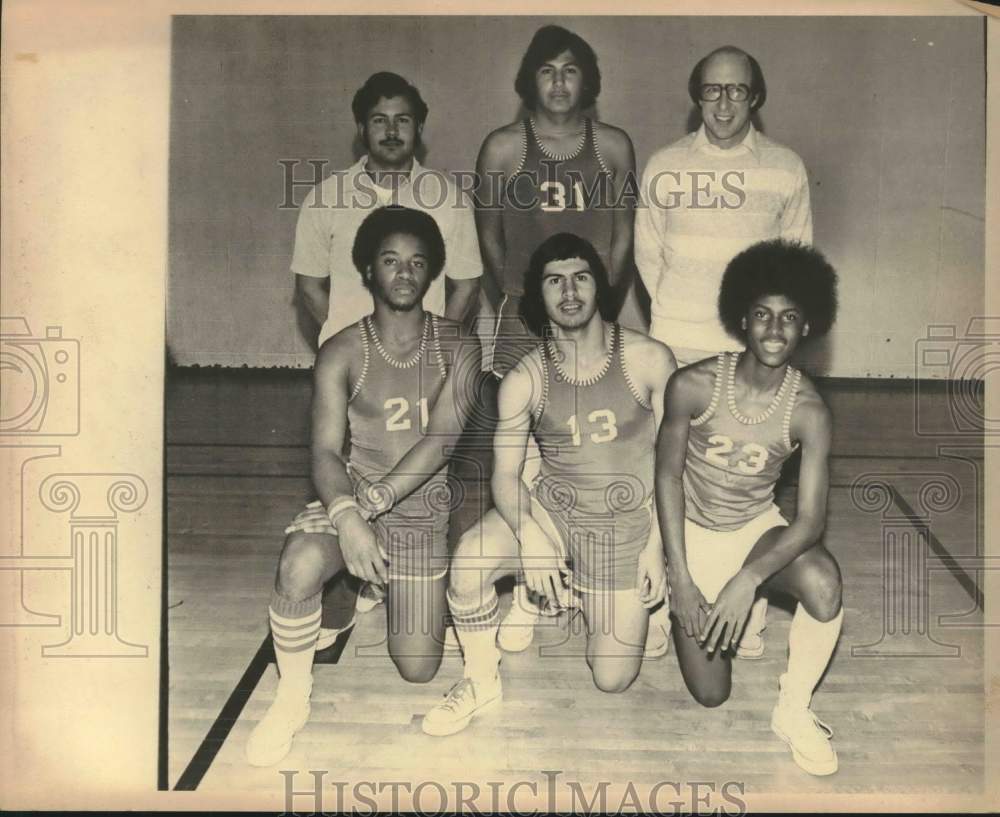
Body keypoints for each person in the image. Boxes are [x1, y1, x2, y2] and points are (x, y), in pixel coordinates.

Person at [246, 206, 481, 766]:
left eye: (418, 263)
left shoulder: (461, 346)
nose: (404, 273)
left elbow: (442, 441)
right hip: (359, 498)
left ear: (432, 275)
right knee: (300, 562)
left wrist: (372, 502)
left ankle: (370, 580)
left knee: (419, 666)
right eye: (390, 261)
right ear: (367, 270)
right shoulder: (341, 350)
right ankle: (292, 695)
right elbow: (325, 451)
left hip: (419, 510)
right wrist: (348, 516)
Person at [421, 233, 676, 737]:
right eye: (554, 281)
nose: (569, 291)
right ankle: (479, 678)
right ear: (537, 297)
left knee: (612, 678)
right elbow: (506, 476)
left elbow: (674, 467)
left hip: (627, 526)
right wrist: (531, 534)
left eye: (581, 277)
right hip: (557, 514)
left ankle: (618, 601)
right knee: (470, 560)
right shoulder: (525, 378)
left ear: (599, 288)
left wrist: (657, 546)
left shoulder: (650, 360)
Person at [292, 72, 484, 639]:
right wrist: (346, 338)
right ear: (361, 129)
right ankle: (352, 567)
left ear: (419, 128)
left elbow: (467, 286)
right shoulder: (327, 195)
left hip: (424, 361)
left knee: (426, 468)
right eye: (379, 119)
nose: (392, 130)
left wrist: (439, 353)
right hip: (355, 365)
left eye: (403, 119)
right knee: (341, 463)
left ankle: (421, 552)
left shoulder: (447, 196)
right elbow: (309, 286)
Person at [635, 45, 814, 654]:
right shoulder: (663, 165)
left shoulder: (786, 167)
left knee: (747, 478)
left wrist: (756, 337)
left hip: (751, 350)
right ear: (696, 97)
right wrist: (679, 318)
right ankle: (659, 599)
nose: (724, 102)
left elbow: (795, 264)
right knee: (669, 471)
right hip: (680, 340)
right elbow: (648, 256)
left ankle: (751, 598)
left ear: (756, 96)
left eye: (737, 90)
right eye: (712, 90)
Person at [655, 239, 842, 776]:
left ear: (808, 326)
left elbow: (809, 520)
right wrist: (681, 578)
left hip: (753, 529)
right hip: (688, 531)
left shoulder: (809, 411)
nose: (775, 329)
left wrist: (748, 577)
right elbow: (665, 476)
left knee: (824, 582)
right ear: (742, 318)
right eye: (762, 314)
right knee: (712, 695)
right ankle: (684, 612)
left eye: (790, 317)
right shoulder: (691, 385)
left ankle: (794, 708)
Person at [475, 24, 636, 376]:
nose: (559, 83)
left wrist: (603, 297)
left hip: (590, 310)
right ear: (531, 81)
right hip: (523, 314)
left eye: (570, 71)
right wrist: (519, 291)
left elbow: (624, 235)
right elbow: (488, 236)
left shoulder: (613, 146)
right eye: (547, 71)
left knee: (586, 413)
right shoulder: (502, 147)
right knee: (517, 417)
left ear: (587, 81)